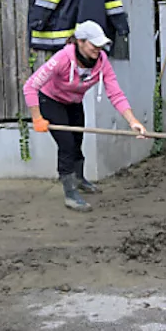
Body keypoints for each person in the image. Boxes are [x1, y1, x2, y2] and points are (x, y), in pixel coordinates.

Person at [23, 21, 147, 211]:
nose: (98, 48)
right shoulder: (62, 58)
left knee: (77, 141)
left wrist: (133, 121)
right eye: (93, 44)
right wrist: (37, 117)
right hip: (51, 101)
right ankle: (70, 193)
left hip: (73, 102)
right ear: (80, 42)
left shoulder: (102, 61)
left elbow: (115, 93)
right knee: (66, 145)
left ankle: (79, 178)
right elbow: (30, 86)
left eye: (100, 44)